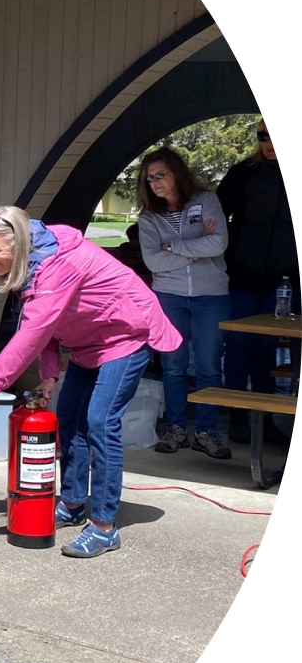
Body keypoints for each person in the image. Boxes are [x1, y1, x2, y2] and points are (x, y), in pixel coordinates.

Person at [0, 206, 181, 559]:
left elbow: (32, 332)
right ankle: (74, 503)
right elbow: (42, 324)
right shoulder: (32, 262)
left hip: (125, 336)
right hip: (87, 343)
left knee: (100, 422)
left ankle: (105, 527)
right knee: (69, 419)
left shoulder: (58, 266)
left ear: (17, 244)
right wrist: (49, 374)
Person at [135, 148, 231, 459]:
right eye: (149, 179)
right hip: (169, 296)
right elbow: (153, 261)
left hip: (211, 294)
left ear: (177, 172)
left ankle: (206, 431)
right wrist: (197, 246)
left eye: (160, 175)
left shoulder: (205, 200)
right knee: (173, 366)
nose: (155, 183)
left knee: (208, 366)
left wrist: (174, 245)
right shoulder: (149, 217)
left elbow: (219, 243)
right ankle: (176, 428)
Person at [216, 118, 295, 444]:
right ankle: (237, 417)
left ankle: (264, 420)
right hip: (243, 272)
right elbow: (216, 215)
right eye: (263, 135)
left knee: (268, 346)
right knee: (238, 344)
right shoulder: (243, 173)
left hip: (286, 277)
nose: (268, 142)